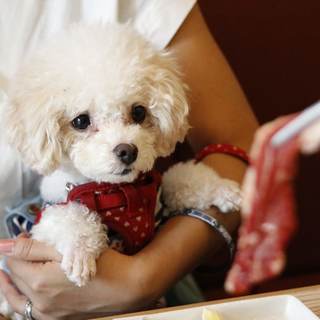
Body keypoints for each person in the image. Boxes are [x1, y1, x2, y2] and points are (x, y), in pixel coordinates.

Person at [0, 1, 258, 319]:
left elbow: (238, 145)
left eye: (136, 114)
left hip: (161, 285)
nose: (125, 146)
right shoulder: (63, 202)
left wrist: (144, 278)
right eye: (82, 123)